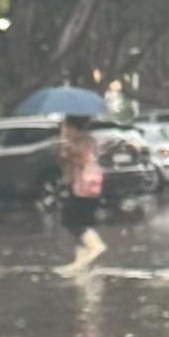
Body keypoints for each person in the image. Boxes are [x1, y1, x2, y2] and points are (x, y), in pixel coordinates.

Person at [58, 114, 106, 274]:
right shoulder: (72, 142)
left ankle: (96, 246)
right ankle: (80, 260)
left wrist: (71, 154)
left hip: (84, 188)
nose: (64, 130)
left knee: (74, 220)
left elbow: (87, 159)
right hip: (75, 186)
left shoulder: (86, 141)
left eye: (66, 127)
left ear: (74, 128)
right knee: (73, 221)